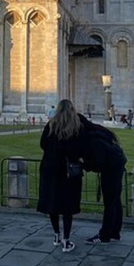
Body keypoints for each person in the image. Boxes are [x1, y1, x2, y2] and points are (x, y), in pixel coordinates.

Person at [37, 99, 84, 253]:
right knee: (67, 208)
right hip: (67, 171)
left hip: (50, 169)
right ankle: (66, 240)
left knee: (53, 204)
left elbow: (42, 144)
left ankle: (56, 236)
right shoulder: (75, 127)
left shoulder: (51, 125)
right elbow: (79, 148)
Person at [78, 113, 127, 244]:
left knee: (110, 203)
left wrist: (84, 165)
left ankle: (104, 235)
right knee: (115, 200)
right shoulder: (97, 133)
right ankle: (115, 232)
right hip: (116, 166)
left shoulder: (93, 140)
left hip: (111, 169)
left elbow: (98, 162)